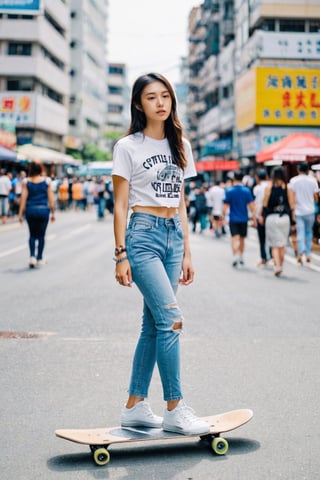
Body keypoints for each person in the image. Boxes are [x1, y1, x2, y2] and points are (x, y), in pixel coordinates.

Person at [112, 72, 209, 436]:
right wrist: (121, 254)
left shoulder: (180, 143)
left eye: (165, 95)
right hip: (143, 236)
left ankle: (135, 406)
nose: (161, 102)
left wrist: (187, 251)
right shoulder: (128, 146)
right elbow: (120, 205)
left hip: (172, 236)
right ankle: (175, 407)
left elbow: (181, 200)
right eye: (152, 97)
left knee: (153, 324)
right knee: (171, 319)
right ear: (139, 104)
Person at [18, 161, 55, 268]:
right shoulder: (47, 181)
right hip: (43, 210)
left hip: (31, 210)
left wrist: (20, 214)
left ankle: (32, 257)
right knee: (41, 235)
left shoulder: (26, 182)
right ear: (41, 169)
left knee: (32, 235)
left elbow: (23, 199)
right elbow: (51, 199)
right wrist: (53, 212)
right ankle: (39, 258)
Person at [262, 166, 295, 277]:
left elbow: (264, 205)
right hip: (285, 218)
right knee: (282, 243)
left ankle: (277, 266)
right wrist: (293, 221)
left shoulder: (268, 188)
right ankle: (281, 265)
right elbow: (292, 206)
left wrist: (262, 216)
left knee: (274, 245)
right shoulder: (288, 188)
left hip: (271, 218)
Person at [223, 170, 256, 267]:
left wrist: (223, 215)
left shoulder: (230, 191)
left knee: (234, 238)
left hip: (233, 218)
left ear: (234, 179)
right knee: (242, 239)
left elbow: (225, 206)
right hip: (244, 218)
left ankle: (235, 256)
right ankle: (241, 256)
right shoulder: (247, 191)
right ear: (242, 179)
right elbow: (251, 206)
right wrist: (254, 218)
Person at [288, 162, 319, 264]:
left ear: (298, 169)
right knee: (309, 232)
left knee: (300, 232)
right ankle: (309, 253)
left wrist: (292, 211)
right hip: (310, 210)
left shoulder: (293, 181)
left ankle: (301, 252)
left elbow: (291, 198)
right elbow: (316, 197)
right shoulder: (313, 180)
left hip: (298, 211)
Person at [253, 169, 270, 266]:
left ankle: (264, 258)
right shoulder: (270, 185)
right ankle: (272, 257)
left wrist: (256, 216)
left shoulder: (257, 188)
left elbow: (257, 204)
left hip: (260, 214)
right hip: (270, 214)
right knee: (271, 237)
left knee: (262, 238)